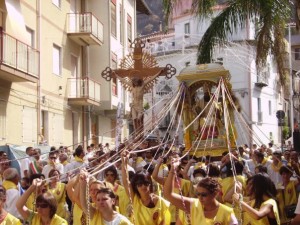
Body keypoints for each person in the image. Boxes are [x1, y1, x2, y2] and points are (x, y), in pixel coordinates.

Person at [164, 158, 237, 225]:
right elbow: (168, 195)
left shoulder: (227, 212)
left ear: (215, 193)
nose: (200, 197)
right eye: (198, 194)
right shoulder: (193, 205)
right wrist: (173, 169)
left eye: (204, 195)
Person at [121, 151, 171, 225]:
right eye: (140, 184)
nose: (143, 186)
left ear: (149, 184)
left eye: (146, 183)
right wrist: (124, 161)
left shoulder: (160, 202)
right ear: (136, 187)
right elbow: (126, 182)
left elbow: (163, 222)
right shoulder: (135, 199)